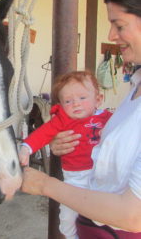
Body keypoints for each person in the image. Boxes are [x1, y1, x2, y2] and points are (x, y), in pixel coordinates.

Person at [21, 0, 141, 238]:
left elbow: (134, 215)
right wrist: (73, 142)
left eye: (119, 25)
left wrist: (44, 185)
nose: (110, 35)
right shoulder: (134, 87)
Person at [19, 70, 112, 239]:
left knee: (102, 216)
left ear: (98, 99)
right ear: (61, 105)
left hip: (103, 175)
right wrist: (26, 148)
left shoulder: (108, 118)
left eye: (82, 98)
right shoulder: (63, 120)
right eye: (68, 101)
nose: (76, 104)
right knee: (68, 217)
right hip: (75, 178)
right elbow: (42, 134)